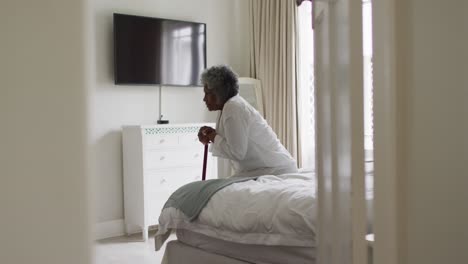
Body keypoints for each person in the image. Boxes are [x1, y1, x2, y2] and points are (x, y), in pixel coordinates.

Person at [198, 65, 298, 177]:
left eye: (207, 93)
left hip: (275, 170)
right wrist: (211, 135)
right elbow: (230, 141)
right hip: (264, 169)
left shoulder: (233, 108)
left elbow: (237, 153)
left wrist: (213, 136)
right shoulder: (228, 107)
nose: (204, 99)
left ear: (219, 92)